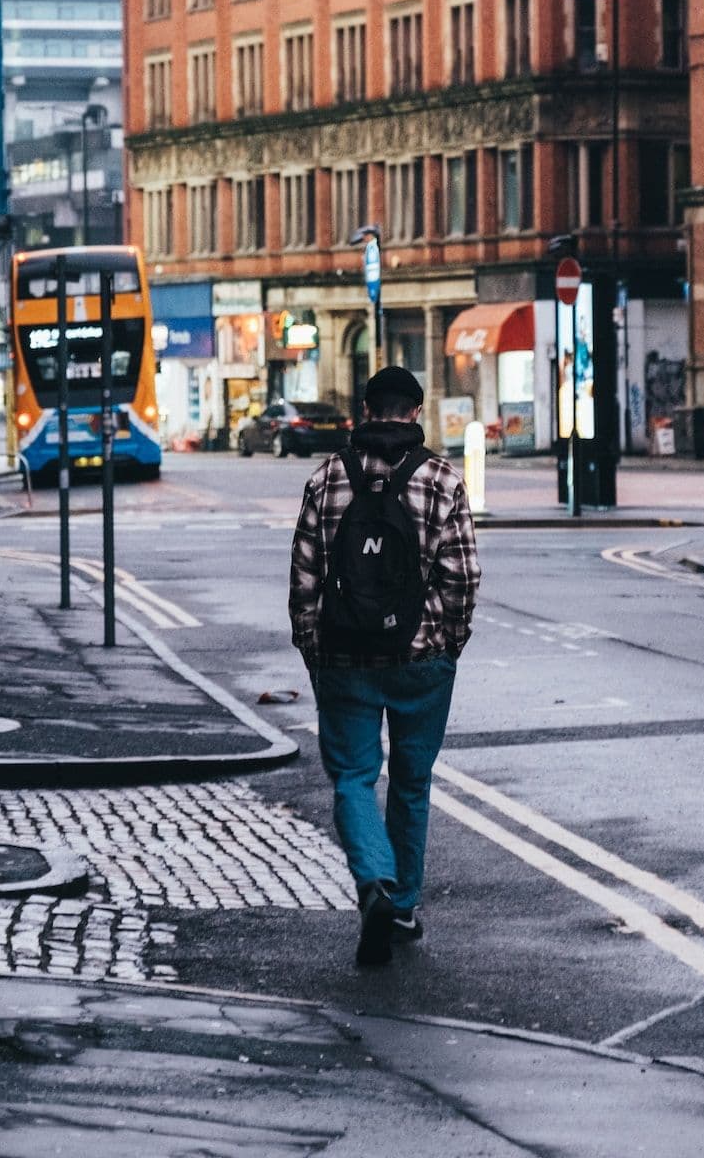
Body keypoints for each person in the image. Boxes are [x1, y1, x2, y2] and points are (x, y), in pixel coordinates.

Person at [289, 366, 480, 966]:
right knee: (412, 783)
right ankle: (401, 904)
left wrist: (312, 647)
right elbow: (462, 577)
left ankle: (372, 882)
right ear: (417, 413)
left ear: (364, 410)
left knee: (352, 778)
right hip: (420, 659)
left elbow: (305, 575)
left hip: (344, 656)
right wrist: (449, 642)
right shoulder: (443, 479)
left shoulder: (326, 478)